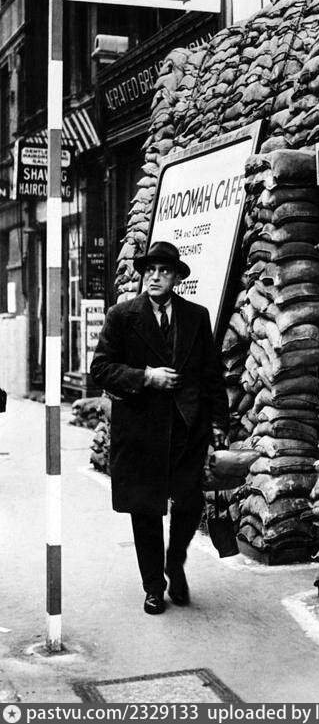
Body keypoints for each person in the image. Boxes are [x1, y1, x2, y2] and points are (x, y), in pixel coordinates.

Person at [90, 241, 229, 615]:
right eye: (149, 270)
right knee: (146, 511)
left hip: (187, 429)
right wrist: (146, 377)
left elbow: (211, 376)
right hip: (141, 431)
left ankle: (175, 563)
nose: (154, 277)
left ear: (176, 278)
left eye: (164, 271)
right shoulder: (122, 316)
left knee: (189, 504)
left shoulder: (195, 317)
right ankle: (153, 586)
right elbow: (100, 369)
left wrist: (219, 424)